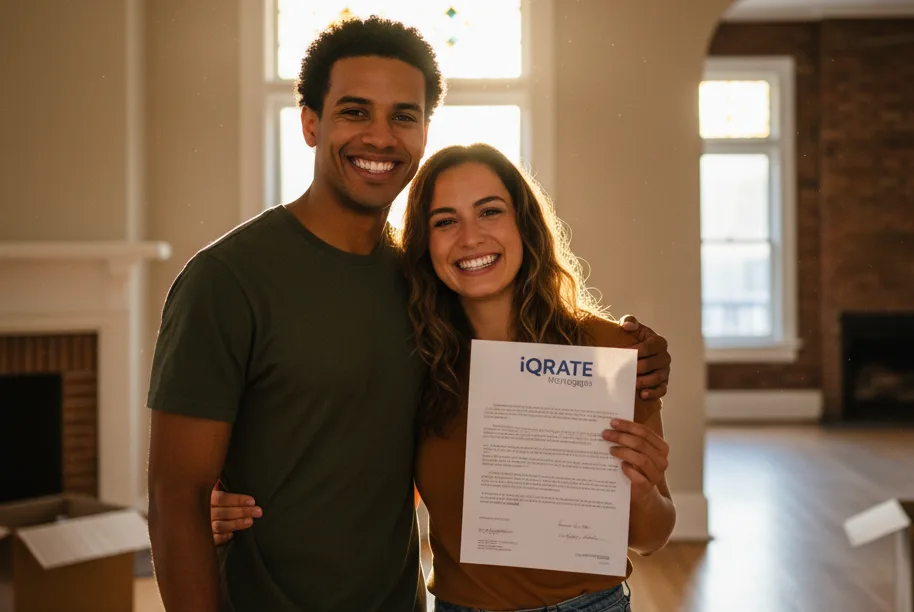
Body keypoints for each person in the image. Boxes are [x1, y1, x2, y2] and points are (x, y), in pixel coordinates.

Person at [146, 15, 673, 612]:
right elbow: (176, 495)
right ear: (311, 123)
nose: (380, 137)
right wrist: (214, 504)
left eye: (403, 116)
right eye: (355, 111)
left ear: (423, 132)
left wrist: (638, 365)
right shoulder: (225, 280)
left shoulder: (426, 293)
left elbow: (396, 454)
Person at [211, 143, 677, 612]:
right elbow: (354, 469)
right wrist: (228, 501)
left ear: (524, 223)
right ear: (425, 244)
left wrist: (639, 491)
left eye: (489, 211)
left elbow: (651, 538)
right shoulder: (419, 361)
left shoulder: (610, 352)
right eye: (445, 221)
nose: (470, 238)